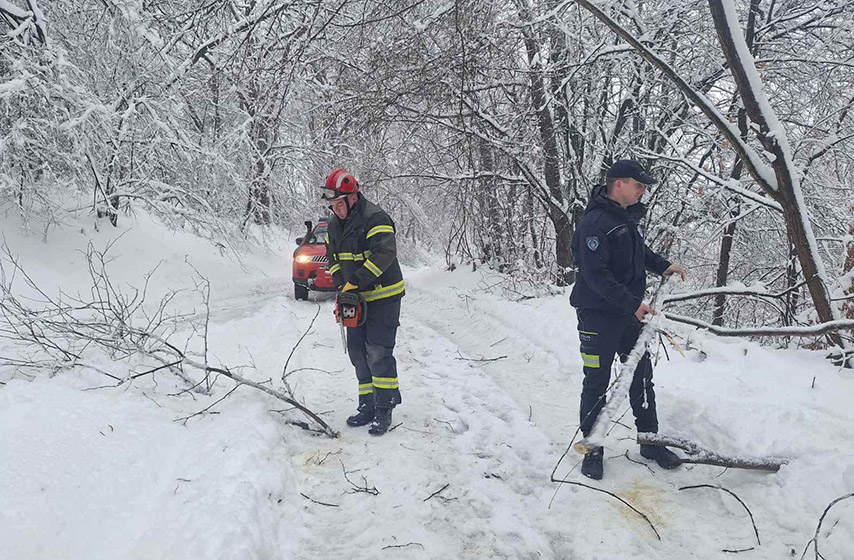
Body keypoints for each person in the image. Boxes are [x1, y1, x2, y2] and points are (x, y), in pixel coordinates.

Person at [570, 159, 687, 480]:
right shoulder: (594, 224)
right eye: (638, 185)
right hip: (597, 315)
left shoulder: (623, 220)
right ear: (618, 184)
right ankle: (592, 450)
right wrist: (632, 303)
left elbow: (638, 253)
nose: (643, 192)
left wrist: (663, 265)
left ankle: (649, 441)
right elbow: (595, 275)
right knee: (596, 381)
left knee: (641, 375)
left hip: (626, 314)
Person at [322, 169, 405, 436]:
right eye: (332, 206)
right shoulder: (333, 225)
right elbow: (332, 258)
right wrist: (341, 287)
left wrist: (355, 281)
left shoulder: (375, 218)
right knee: (357, 353)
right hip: (354, 299)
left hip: (383, 297)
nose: (336, 210)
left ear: (353, 198)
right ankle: (367, 405)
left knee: (378, 353)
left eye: (339, 204)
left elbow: (384, 253)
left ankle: (384, 407)